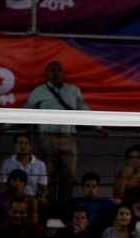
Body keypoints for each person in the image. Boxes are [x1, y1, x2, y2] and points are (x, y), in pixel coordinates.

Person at [21, 61, 108, 205]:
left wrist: (98, 127)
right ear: (47, 74)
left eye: (59, 70)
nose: (56, 73)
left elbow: (83, 111)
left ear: (63, 73)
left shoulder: (73, 91)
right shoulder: (39, 92)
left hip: (69, 139)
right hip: (47, 138)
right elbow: (25, 111)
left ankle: (64, 206)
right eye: (52, 70)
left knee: (69, 175)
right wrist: (5, 126)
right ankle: (47, 207)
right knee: (47, 175)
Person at [0, 133, 49, 210]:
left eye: (26, 143)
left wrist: (43, 196)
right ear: (15, 145)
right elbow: (1, 185)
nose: (23, 146)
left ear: (30, 147)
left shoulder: (40, 164)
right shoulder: (6, 163)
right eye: (20, 143)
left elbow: (44, 188)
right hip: (12, 199)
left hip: (32, 200)